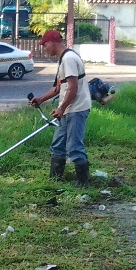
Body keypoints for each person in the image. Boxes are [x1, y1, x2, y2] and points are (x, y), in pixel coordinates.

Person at [30, 29, 91, 187]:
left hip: (76, 108)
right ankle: (55, 180)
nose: (45, 48)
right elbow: (58, 88)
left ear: (52, 42)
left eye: (45, 45)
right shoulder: (63, 58)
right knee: (58, 145)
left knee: (74, 147)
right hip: (67, 108)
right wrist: (40, 99)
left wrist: (61, 108)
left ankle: (83, 183)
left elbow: (72, 88)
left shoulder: (69, 59)